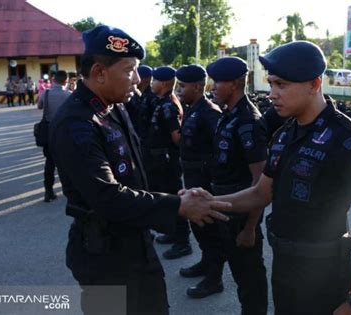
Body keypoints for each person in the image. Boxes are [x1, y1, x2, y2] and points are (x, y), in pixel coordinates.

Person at [194, 41, 351, 314]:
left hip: (326, 274)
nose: (272, 94)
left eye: (282, 85)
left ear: (314, 84)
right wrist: (210, 202)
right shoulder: (286, 134)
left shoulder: (349, 140)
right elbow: (261, 193)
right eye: (271, 83)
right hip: (285, 266)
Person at [49, 25, 230, 315]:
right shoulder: (77, 123)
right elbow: (107, 197)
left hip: (133, 243)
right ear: (99, 72)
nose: (137, 78)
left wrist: (174, 196)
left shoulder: (111, 107)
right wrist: (178, 206)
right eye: (129, 70)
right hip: (104, 256)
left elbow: (135, 174)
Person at [204, 56, 269, 313]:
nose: (213, 87)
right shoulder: (229, 114)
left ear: (234, 84)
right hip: (226, 207)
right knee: (240, 271)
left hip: (242, 214)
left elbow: (260, 181)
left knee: (250, 274)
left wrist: (250, 228)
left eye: (217, 82)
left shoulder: (248, 121)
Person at [175, 64, 226, 298]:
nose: (178, 90)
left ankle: (214, 279)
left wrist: (210, 185)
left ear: (197, 87)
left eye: (182, 86)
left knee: (211, 231)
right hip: (192, 176)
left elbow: (219, 153)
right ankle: (205, 263)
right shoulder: (193, 108)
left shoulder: (209, 112)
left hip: (204, 181)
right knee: (199, 228)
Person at [142, 66, 192, 259]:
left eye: (154, 80)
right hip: (157, 159)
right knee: (165, 198)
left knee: (174, 199)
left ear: (162, 83)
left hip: (166, 161)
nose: (151, 83)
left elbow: (177, 138)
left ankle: (183, 242)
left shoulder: (169, 105)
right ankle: (173, 233)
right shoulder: (162, 102)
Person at [37, 70, 71, 202]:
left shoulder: (46, 93)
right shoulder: (68, 95)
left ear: (54, 80)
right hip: (63, 132)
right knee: (65, 163)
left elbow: (40, 106)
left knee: (49, 163)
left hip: (48, 132)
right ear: (65, 81)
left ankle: (48, 191)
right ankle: (68, 191)